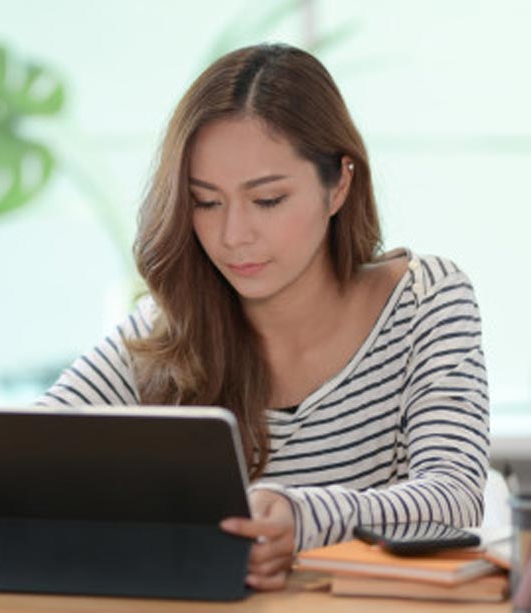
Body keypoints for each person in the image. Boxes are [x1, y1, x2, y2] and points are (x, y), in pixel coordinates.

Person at [38, 43, 489, 591]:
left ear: (339, 184)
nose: (233, 236)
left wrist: (297, 518)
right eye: (206, 202)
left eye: (268, 200)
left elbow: (455, 497)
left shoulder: (426, 300)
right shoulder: (171, 324)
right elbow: (20, 464)